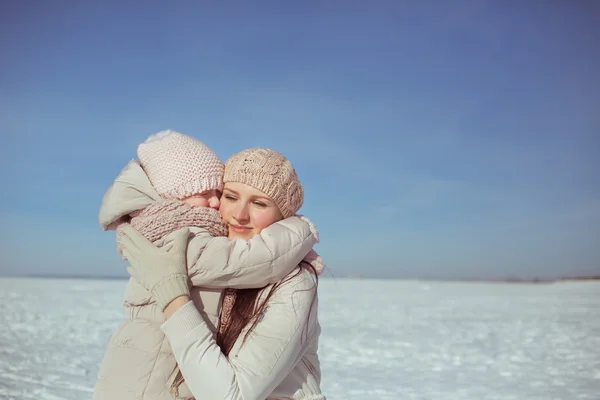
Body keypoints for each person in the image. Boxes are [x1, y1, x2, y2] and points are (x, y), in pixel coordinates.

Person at [93, 132, 320, 400]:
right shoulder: (187, 240)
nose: (240, 215)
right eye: (231, 196)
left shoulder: (295, 284)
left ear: (283, 216)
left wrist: (175, 300)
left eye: (259, 203)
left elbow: (230, 395)